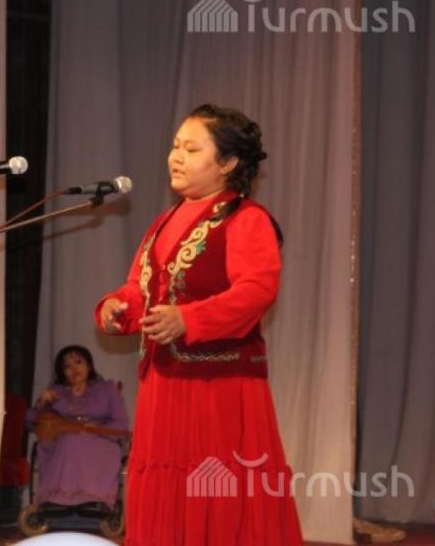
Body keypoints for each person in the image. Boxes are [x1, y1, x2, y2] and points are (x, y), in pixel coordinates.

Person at [95, 104, 303, 545]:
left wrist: (188, 319)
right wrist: (117, 308)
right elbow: (143, 288)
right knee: (168, 490)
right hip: (164, 384)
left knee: (216, 487)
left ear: (228, 163)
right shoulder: (164, 221)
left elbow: (257, 291)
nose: (176, 157)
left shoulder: (247, 219)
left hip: (218, 387)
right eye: (176, 146)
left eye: (192, 149)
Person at [26, 345, 129, 507]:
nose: (74, 369)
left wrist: (95, 429)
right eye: (67, 366)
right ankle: (56, 500)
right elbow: (30, 421)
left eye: (78, 362)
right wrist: (41, 403)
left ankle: (94, 498)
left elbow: (121, 425)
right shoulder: (56, 391)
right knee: (69, 440)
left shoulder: (107, 389)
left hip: (100, 440)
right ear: (62, 372)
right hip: (62, 442)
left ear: (89, 365)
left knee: (75, 441)